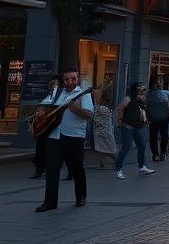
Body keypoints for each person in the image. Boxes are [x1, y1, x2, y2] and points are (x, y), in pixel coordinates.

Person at [36, 66, 92, 212]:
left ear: (78, 78)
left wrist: (75, 109)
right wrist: (41, 110)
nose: (70, 82)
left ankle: (81, 196)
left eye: (73, 79)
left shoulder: (83, 94)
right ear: (63, 80)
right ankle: (50, 202)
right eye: (67, 79)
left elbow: (88, 115)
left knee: (76, 167)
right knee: (52, 168)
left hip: (74, 136)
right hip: (54, 135)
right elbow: (42, 105)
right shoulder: (57, 92)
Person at [114, 82, 156, 180]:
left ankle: (142, 167)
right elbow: (119, 109)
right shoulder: (128, 99)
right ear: (135, 90)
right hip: (127, 127)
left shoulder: (140, 99)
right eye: (140, 89)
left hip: (138, 126)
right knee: (126, 147)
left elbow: (143, 111)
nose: (142, 91)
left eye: (143, 89)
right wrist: (120, 122)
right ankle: (118, 170)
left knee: (142, 145)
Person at [30, 73, 61, 179]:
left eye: (55, 83)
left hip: (55, 126)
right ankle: (39, 169)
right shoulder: (49, 94)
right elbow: (43, 106)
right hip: (44, 125)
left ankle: (49, 169)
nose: (52, 85)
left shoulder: (61, 94)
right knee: (41, 148)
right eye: (51, 83)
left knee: (51, 150)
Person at [145, 76, 169, 162]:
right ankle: (163, 153)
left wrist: (148, 118)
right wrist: (168, 116)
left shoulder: (148, 96)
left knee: (153, 137)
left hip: (153, 119)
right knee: (164, 135)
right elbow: (168, 107)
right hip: (164, 118)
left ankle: (155, 155)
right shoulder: (165, 95)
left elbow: (146, 108)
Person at [91, 90, 117, 168]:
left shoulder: (102, 108)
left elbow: (94, 114)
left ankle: (116, 160)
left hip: (101, 131)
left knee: (104, 148)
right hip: (104, 131)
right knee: (102, 147)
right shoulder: (106, 108)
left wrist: (92, 97)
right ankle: (101, 163)